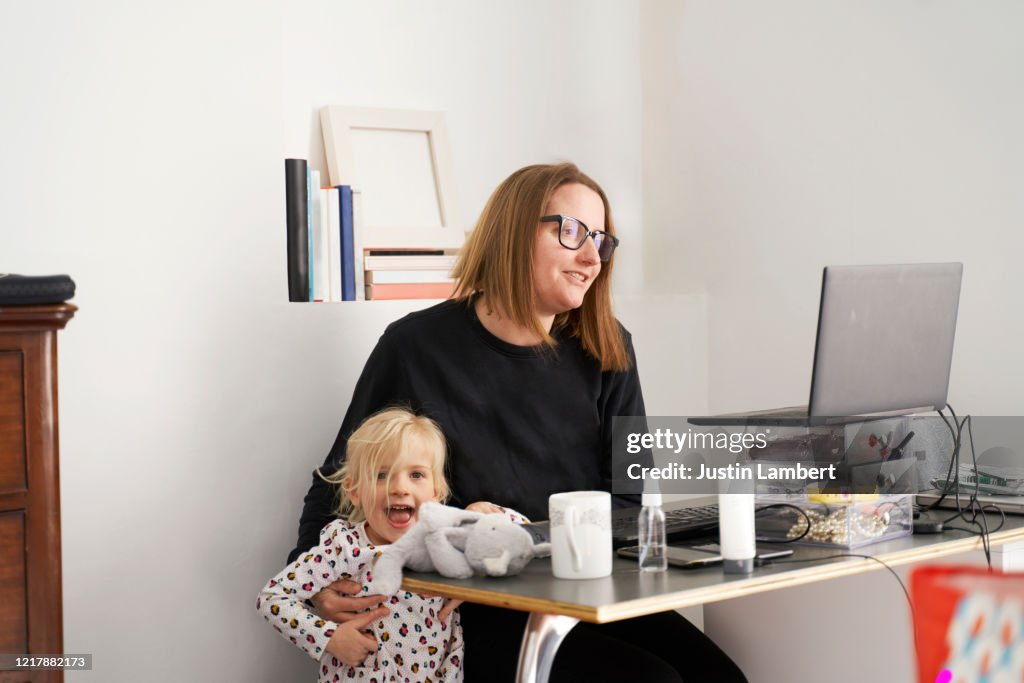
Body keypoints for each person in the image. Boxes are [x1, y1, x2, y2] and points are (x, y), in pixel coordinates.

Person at [290, 163, 748, 682]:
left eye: (601, 240)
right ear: (513, 231)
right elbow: (337, 482)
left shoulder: (608, 347)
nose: (591, 256)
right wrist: (315, 582)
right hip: (463, 607)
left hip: (579, 588)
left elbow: (631, 494)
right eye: (571, 231)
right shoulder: (415, 347)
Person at [261, 407, 502, 682]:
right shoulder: (344, 546)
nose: (400, 488)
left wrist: (485, 515)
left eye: (416, 475)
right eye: (381, 475)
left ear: (436, 492)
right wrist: (330, 639)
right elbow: (273, 598)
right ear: (354, 491)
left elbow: (520, 539)